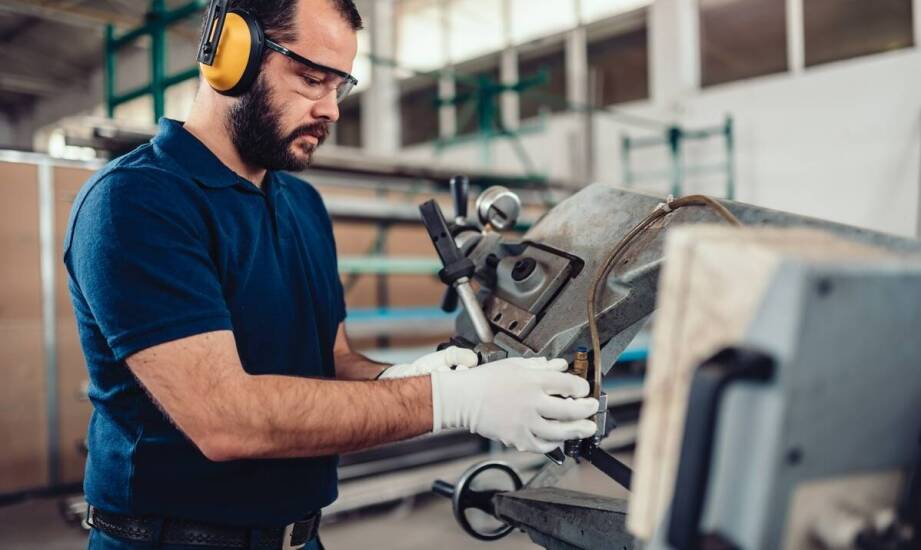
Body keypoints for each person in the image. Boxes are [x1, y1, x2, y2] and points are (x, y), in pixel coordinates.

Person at [64, 1, 598, 548]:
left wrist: (405, 378)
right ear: (229, 56)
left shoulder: (301, 203)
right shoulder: (138, 201)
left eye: (339, 86)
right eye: (312, 78)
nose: (332, 110)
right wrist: (452, 400)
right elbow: (226, 420)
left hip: (300, 536)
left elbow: (333, 361)